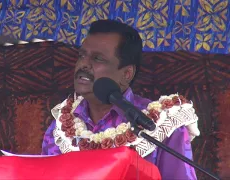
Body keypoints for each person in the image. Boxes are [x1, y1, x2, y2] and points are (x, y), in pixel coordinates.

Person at [41, 20, 198, 179]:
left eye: (98, 59)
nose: (83, 64)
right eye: (82, 55)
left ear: (126, 74)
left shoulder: (162, 126)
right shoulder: (61, 126)